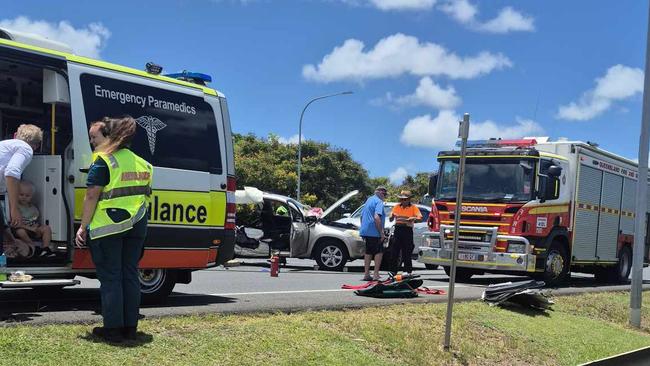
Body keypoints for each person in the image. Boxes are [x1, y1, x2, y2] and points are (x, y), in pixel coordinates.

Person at [75, 116, 153, 343]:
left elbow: (91, 195)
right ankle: (130, 328)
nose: (92, 142)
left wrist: (83, 226)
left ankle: (112, 331)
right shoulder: (144, 163)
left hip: (109, 227)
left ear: (111, 136)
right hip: (137, 224)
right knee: (130, 275)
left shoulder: (104, 161)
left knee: (111, 278)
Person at [0, 124, 43, 256]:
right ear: (35, 146)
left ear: (15, 135)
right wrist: (14, 208)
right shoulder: (26, 148)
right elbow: (12, 172)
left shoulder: (4, 145)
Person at [13, 180, 54, 258]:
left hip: (32, 229)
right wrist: (31, 228)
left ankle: (45, 248)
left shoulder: (33, 209)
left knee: (46, 228)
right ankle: (32, 245)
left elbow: (35, 220)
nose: (24, 197)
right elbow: (15, 224)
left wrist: (36, 227)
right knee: (20, 232)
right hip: (21, 229)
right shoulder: (16, 208)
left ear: (31, 197)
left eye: (27, 196)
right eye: (21, 194)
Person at [388, 190, 421, 275]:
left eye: (405, 199)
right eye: (401, 199)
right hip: (398, 229)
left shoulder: (413, 207)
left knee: (407, 251)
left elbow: (420, 217)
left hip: (407, 230)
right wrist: (392, 216)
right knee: (394, 251)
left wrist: (413, 218)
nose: (403, 201)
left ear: (409, 199)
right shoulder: (397, 206)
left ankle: (407, 271)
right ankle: (393, 271)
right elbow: (390, 218)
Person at [359, 186, 387, 281]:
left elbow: (361, 216)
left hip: (366, 231)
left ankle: (366, 274)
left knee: (368, 252)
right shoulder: (379, 202)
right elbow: (376, 217)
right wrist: (381, 233)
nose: (384, 196)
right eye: (384, 194)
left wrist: (363, 229)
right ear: (379, 192)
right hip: (374, 231)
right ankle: (375, 274)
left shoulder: (369, 200)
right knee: (379, 252)